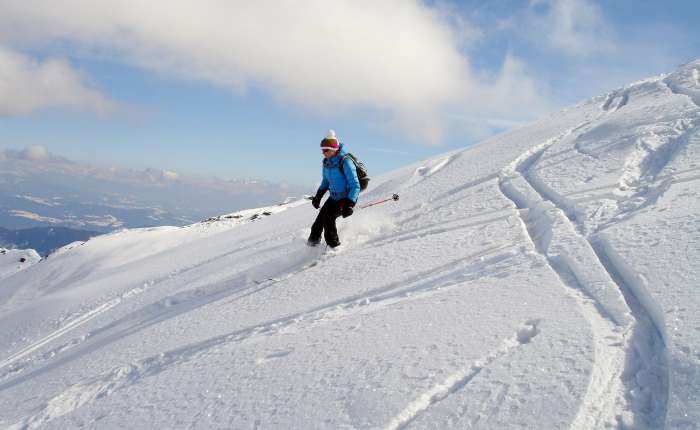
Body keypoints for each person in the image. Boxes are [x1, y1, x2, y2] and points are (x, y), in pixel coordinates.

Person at [308, 130, 360, 248]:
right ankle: (311, 245)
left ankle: (334, 248)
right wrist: (318, 197)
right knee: (318, 222)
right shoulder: (327, 162)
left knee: (328, 219)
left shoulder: (345, 162)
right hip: (333, 197)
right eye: (322, 150)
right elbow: (325, 182)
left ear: (333, 149)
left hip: (345, 198)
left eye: (325, 150)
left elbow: (355, 185)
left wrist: (350, 204)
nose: (323, 152)